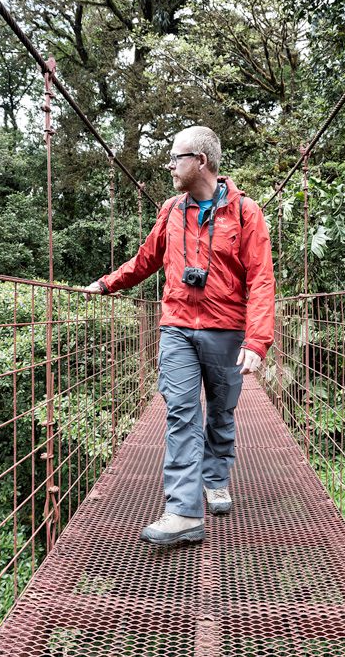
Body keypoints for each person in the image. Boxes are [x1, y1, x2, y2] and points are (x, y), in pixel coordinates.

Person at [85, 126, 275, 545]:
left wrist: (257, 341)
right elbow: (145, 259)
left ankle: (216, 474)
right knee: (181, 414)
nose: (169, 165)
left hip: (227, 330)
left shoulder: (246, 213)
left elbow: (261, 279)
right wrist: (106, 284)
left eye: (176, 157)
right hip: (176, 327)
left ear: (201, 161)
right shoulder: (171, 210)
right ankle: (183, 511)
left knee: (221, 411)